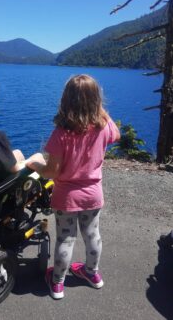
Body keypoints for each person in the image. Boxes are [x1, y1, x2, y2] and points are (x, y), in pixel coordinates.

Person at [26, 74, 120, 299]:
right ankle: (92, 274)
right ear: (97, 99)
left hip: (67, 196)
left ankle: (58, 283)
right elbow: (116, 134)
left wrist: (35, 164)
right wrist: (99, 111)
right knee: (92, 235)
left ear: (66, 99)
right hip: (93, 194)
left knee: (66, 239)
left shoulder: (61, 134)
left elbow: (53, 172)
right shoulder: (104, 126)